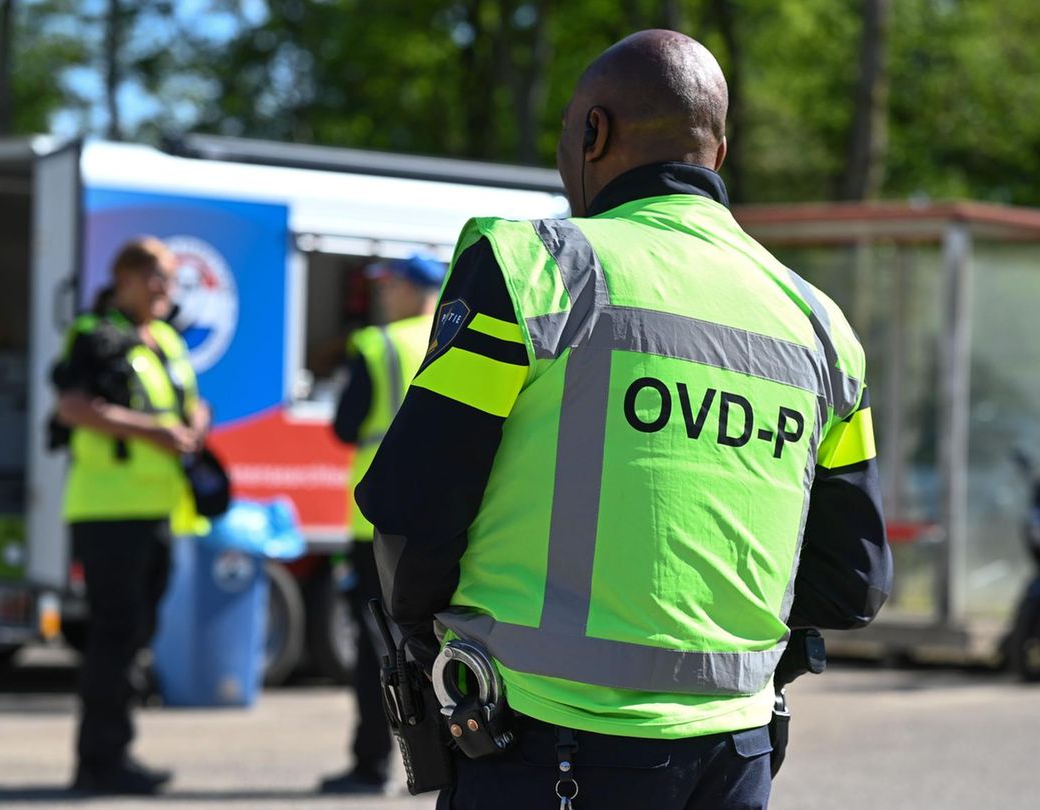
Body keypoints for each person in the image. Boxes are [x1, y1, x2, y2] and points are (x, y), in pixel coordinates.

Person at [356, 30, 892, 810]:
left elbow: (412, 510)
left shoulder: (534, 267)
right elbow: (853, 584)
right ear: (720, 153)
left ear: (593, 133)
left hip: (542, 744)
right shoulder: (820, 326)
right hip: (736, 752)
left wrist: (428, 652)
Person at [52, 238, 211, 795]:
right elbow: (71, 407)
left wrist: (195, 418)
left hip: (158, 507)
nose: (166, 289)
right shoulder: (94, 335)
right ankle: (99, 762)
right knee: (114, 636)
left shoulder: (165, 338)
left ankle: (112, 753)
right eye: (156, 278)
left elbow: (187, 400)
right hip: (108, 509)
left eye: (170, 279)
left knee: (134, 635)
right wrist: (156, 433)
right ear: (124, 279)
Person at [319, 254, 445, 795]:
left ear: (413, 288)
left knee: (380, 651)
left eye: (389, 285)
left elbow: (345, 427)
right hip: (444, 518)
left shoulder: (378, 346)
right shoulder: (458, 335)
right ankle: (452, 763)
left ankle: (371, 765)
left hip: (376, 524)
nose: (382, 295)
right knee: (442, 647)